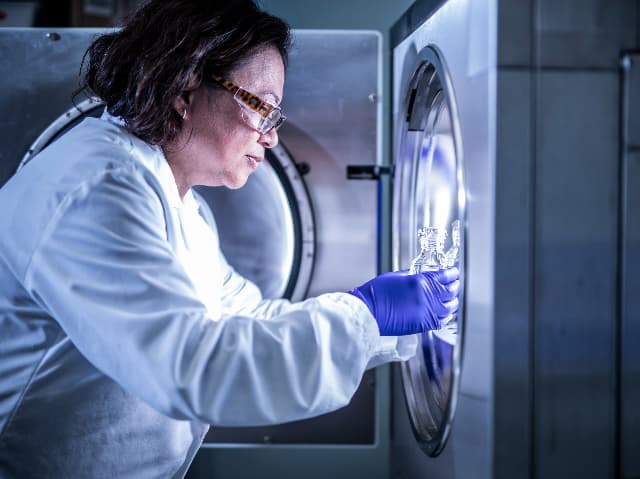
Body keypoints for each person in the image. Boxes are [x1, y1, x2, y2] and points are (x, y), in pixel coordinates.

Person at [0, 0, 459, 477]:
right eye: (262, 107)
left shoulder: (182, 207)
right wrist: (366, 312)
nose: (271, 137)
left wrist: (384, 323)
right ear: (184, 87)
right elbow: (195, 364)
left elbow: (248, 318)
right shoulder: (95, 188)